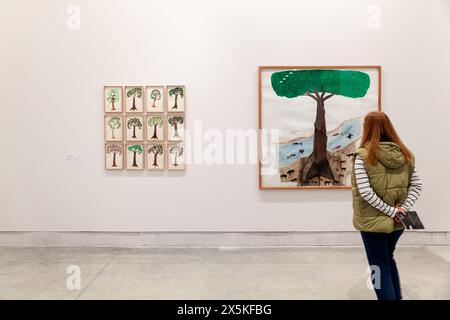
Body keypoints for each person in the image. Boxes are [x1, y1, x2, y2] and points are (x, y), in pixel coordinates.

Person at [351, 111, 423, 300]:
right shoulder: (405, 154)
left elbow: (365, 192)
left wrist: (392, 211)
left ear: (367, 129)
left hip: (372, 222)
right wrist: (401, 210)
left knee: (377, 265)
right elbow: (417, 185)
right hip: (397, 222)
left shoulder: (363, 156)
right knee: (387, 260)